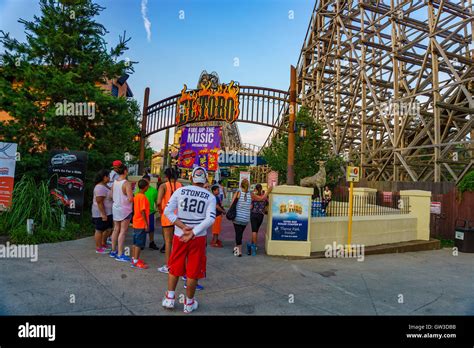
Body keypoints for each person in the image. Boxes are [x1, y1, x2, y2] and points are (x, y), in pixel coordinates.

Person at [161, 166, 216, 314]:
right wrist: (194, 232)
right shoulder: (210, 196)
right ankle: (189, 303)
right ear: (205, 179)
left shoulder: (180, 191)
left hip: (180, 235)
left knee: (175, 265)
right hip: (198, 238)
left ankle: (170, 298)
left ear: (191, 178)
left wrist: (183, 226)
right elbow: (211, 218)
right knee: (193, 270)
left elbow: (167, 211)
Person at [157, 167, 182, 273]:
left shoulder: (163, 186)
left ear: (166, 176)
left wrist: (160, 211)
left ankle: (168, 265)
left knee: (168, 242)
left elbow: (158, 202)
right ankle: (178, 263)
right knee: (177, 241)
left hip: (167, 216)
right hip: (179, 217)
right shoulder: (180, 185)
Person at [110, 164, 133, 262]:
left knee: (116, 229)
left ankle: (113, 251)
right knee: (123, 232)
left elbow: (111, 195)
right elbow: (131, 198)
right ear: (125, 171)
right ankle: (120, 254)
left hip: (115, 208)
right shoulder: (126, 183)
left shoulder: (114, 182)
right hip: (125, 210)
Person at [134, 174, 159, 250]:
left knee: (151, 229)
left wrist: (158, 209)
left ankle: (151, 242)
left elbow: (157, 201)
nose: (144, 182)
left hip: (150, 213)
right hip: (141, 215)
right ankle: (139, 246)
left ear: (149, 181)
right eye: (143, 181)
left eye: (146, 181)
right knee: (140, 232)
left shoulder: (154, 191)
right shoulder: (138, 192)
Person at [92, 169, 113, 254]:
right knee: (99, 230)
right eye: (108, 176)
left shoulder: (105, 185)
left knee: (108, 229)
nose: (109, 178)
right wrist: (103, 214)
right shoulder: (100, 187)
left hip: (107, 212)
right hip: (100, 213)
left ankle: (103, 244)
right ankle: (98, 248)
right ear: (104, 177)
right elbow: (99, 202)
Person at [247, 184, 272, 256]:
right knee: (256, 231)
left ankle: (253, 248)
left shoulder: (254, 196)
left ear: (256, 189)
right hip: (261, 215)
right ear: (261, 188)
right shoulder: (265, 197)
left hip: (254, 214)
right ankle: (251, 245)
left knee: (254, 231)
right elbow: (267, 204)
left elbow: (251, 204)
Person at [131, 179, 150, 269]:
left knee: (135, 242)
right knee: (139, 243)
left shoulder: (137, 195)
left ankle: (134, 258)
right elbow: (143, 211)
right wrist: (146, 224)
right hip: (141, 223)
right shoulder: (142, 197)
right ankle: (136, 261)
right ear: (145, 187)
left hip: (136, 221)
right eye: (148, 186)